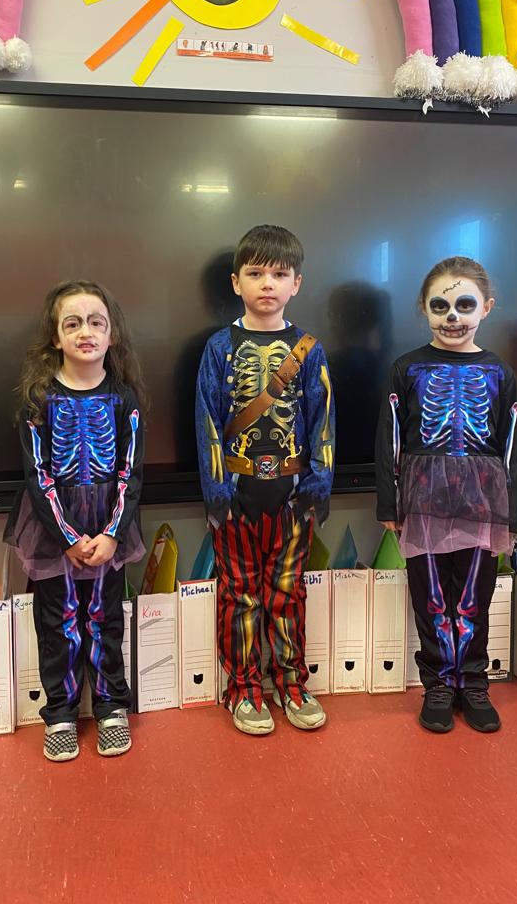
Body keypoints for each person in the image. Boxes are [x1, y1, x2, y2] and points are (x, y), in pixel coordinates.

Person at [195, 225, 335, 735]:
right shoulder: (219, 347)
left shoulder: (309, 349)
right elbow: (207, 421)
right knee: (240, 595)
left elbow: (323, 422)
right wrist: (217, 492)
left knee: (287, 593)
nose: (267, 284)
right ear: (236, 282)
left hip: (292, 496)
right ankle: (245, 687)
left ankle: (292, 682)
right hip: (236, 493)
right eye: (255, 273)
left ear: (296, 283)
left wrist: (318, 486)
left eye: (279, 274)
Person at [375, 257, 517, 734]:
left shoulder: (499, 372)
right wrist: (388, 504)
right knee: (432, 598)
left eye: (465, 305)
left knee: (474, 598)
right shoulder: (406, 368)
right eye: (440, 306)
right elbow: (389, 439)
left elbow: (512, 446)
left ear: (487, 308)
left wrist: (512, 514)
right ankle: (438, 684)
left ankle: (473, 683)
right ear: (424, 308)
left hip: (484, 505)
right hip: (423, 503)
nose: (453, 316)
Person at [5, 280, 145, 761]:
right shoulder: (38, 400)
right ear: (56, 337)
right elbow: (37, 473)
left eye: (96, 322)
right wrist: (66, 537)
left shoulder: (125, 399)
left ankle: (110, 706)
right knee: (59, 621)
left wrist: (112, 534)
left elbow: (131, 471)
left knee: (105, 618)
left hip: (110, 524)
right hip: (51, 527)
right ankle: (61, 712)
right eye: (73, 323)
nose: (86, 332)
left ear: (111, 335)